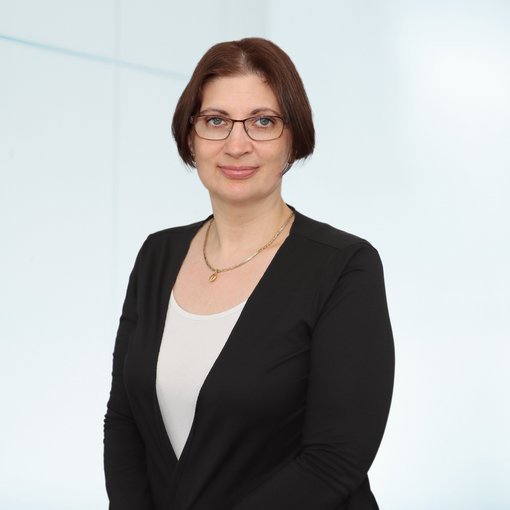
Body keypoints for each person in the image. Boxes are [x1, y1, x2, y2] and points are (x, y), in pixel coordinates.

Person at [103, 37, 394, 510]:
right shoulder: (157, 254)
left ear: (293, 137)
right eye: (216, 121)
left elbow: (335, 459)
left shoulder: (344, 266)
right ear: (191, 137)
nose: (237, 145)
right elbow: (124, 420)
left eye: (263, 122)